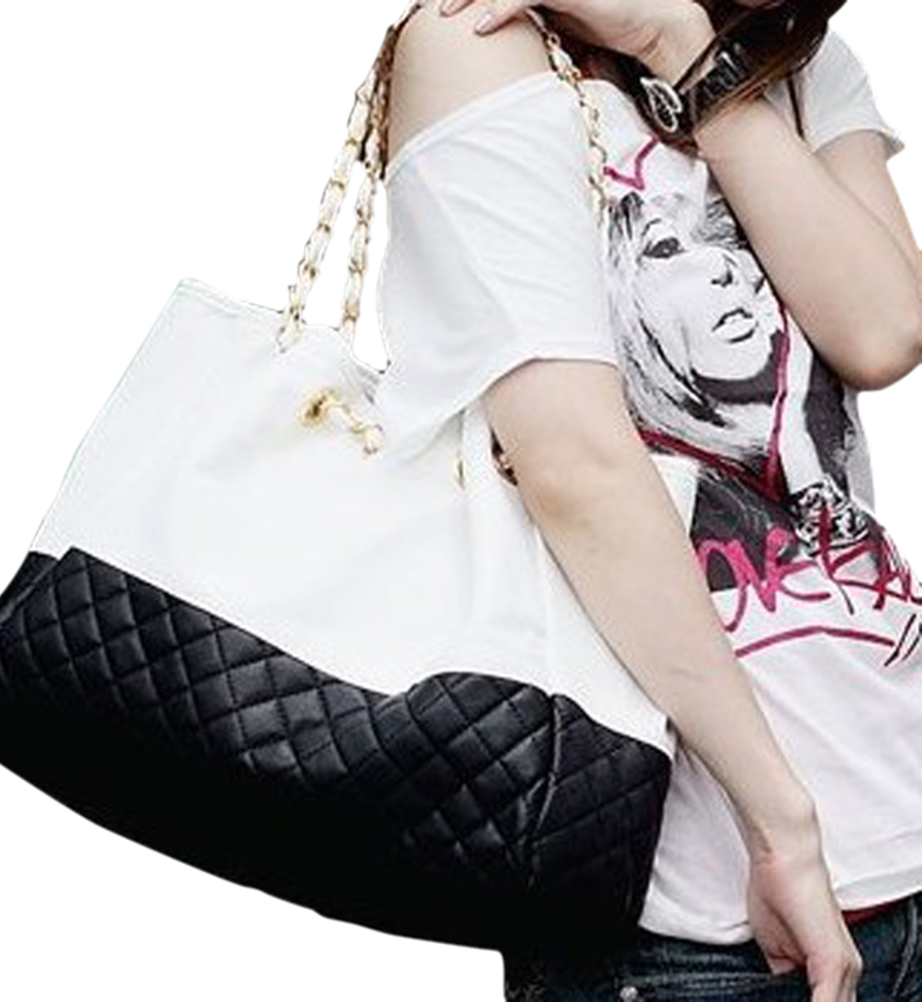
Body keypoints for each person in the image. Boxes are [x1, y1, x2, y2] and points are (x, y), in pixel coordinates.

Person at [377, 0, 922, 1000]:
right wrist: (780, 822)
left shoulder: (793, 56)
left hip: (903, 814)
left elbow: (883, 330)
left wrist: (683, 50)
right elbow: (572, 464)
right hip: (697, 915)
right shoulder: (476, 46)